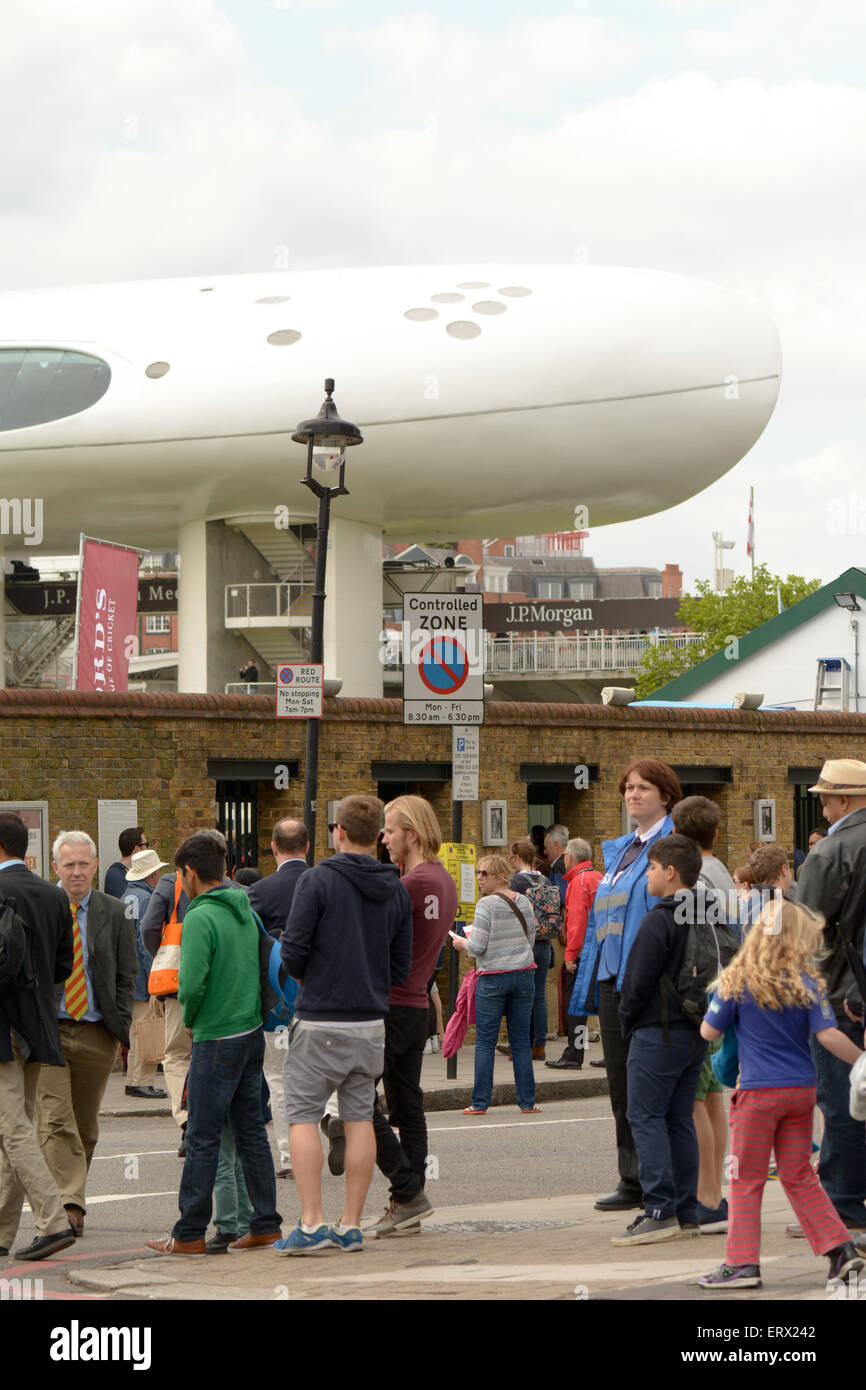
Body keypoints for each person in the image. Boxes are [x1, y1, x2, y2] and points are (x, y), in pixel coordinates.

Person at [698, 899, 864, 1290]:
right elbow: (828, 1035)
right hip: (801, 1091)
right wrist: (862, 1061)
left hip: (757, 1093)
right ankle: (840, 1250)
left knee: (745, 1179)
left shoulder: (738, 981)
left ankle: (741, 1264)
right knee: (800, 1175)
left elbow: (708, 1032)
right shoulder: (808, 982)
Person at [276, 795, 412, 1255]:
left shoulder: (316, 881)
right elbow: (401, 967)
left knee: (302, 1115)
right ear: (378, 836)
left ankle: (312, 1224)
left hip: (319, 1019)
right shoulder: (395, 889)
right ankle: (351, 1224)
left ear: (337, 831)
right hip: (371, 1023)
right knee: (359, 1120)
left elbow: (292, 952)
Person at [146, 832, 282, 1256]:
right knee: (251, 1133)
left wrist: (189, 1018)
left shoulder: (202, 915)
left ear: (188, 872)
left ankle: (188, 1233)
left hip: (215, 1036)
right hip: (250, 1032)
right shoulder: (244, 907)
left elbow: (192, 983)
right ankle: (266, 1223)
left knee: (203, 1136)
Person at [572, 758, 680, 1211]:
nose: (633, 794)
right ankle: (632, 1179)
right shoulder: (623, 850)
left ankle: (664, 1186)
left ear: (666, 796)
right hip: (615, 982)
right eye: (628, 787)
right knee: (621, 1086)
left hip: (654, 983)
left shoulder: (672, 846)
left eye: (644, 788)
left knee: (651, 1091)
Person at [36, 831, 137, 1239]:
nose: (76, 872)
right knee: (55, 1120)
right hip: (50, 1030)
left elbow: (126, 974)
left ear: (95, 866)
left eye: (83, 864)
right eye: (69, 865)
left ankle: (70, 1194)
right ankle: (70, 1205)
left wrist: (122, 1028)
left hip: (98, 1032)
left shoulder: (113, 910)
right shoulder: (43, 907)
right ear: (55, 867)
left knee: (85, 1126)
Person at [366, 795, 457, 1238]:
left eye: (390, 829)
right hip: (417, 1004)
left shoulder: (408, 885)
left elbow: (376, 944)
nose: (383, 837)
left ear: (412, 835)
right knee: (407, 1103)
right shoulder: (444, 879)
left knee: (358, 1101)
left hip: (390, 1005)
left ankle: (406, 1191)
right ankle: (408, 1201)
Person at [612, 835, 710, 1245]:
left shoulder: (659, 919)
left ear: (670, 873)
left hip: (658, 1031)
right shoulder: (707, 914)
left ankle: (658, 1209)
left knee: (645, 1117)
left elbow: (636, 982)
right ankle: (687, 1209)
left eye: (651, 868)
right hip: (696, 1030)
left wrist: (627, 1021)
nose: (648, 874)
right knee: (679, 1119)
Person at [0, 813, 77, 1262]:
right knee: (16, 1127)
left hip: (3, 1030)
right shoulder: (53, 895)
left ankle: (52, 1221)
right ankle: (3, 1230)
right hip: (38, 1026)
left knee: (12, 1129)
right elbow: (64, 967)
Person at [141, 830, 245, 1155]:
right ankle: (215, 1122)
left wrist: (160, 956)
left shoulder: (168, 885)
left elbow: (147, 927)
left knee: (176, 1055)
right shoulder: (237, 891)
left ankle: (187, 1120)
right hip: (226, 989)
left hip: (178, 984)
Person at [796, 760, 866, 1233]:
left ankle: (842, 1203)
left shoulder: (834, 850)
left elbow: (804, 929)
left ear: (843, 800)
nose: (821, 806)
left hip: (842, 992)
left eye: (824, 797)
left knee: (842, 1099)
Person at [671, 796, 735, 1232]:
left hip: (703, 999)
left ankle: (707, 1196)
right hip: (720, 993)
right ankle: (712, 1194)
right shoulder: (721, 872)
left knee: (695, 1096)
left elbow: (696, 945)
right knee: (710, 1096)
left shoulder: (698, 878)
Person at [247, 819, 311, 1180]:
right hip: (322, 999)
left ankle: (290, 1157)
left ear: (273, 847)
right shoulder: (323, 883)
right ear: (307, 845)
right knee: (323, 1075)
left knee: (280, 1078)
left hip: (277, 1002)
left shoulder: (259, 891)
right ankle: (325, 1129)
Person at [452, 854, 539, 1116]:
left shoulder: (485, 905)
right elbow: (531, 939)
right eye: (478, 873)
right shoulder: (523, 901)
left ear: (501, 875)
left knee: (486, 1041)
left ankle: (480, 1103)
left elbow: (477, 947)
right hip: (524, 974)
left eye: (485, 873)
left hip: (493, 977)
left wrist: (461, 943)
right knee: (521, 1040)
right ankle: (527, 1102)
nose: (480, 878)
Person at [499, 838, 561, 1062]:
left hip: (522, 944)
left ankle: (521, 1044)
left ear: (516, 857)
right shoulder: (544, 879)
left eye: (510, 856)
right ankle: (539, 1045)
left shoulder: (515, 881)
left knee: (521, 996)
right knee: (539, 995)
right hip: (544, 943)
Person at [548, 838, 602, 1070]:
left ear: (570, 857)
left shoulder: (579, 882)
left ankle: (574, 1053)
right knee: (603, 1004)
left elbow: (577, 922)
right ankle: (610, 1052)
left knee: (576, 1006)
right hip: (602, 950)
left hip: (583, 953)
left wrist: (570, 954)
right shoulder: (600, 878)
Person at [121, 848, 170, 1100]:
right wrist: (156, 976)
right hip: (143, 974)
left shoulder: (127, 895)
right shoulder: (148, 898)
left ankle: (135, 1077)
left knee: (136, 1028)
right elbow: (145, 941)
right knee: (145, 1028)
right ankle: (140, 1080)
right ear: (151, 875)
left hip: (128, 974)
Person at [103, 827, 149, 899]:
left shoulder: (136, 873)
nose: (148, 849)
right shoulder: (115, 875)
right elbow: (129, 904)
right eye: (146, 844)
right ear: (137, 849)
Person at [544, 825, 569, 907]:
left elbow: (562, 898)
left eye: (546, 847)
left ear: (556, 844)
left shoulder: (559, 866)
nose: (545, 852)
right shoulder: (573, 861)